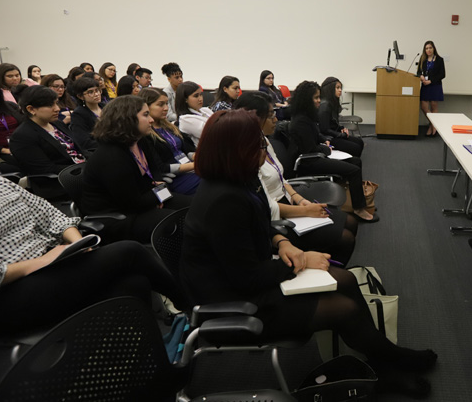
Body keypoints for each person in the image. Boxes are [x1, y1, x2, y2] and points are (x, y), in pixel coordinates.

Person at [180, 110, 437, 397]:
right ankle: (390, 364)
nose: (265, 151)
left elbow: (261, 225)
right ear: (238, 151)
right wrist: (300, 262)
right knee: (344, 308)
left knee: (347, 281)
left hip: (252, 276)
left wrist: (282, 242)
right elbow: (247, 279)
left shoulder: (238, 180)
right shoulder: (223, 201)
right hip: (237, 303)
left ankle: (386, 359)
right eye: (259, 146)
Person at [0, 123, 189, 334]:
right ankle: (192, 305)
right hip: (6, 292)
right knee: (129, 251)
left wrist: (76, 244)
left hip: (51, 262)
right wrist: (39, 263)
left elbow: (51, 215)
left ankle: (132, 357)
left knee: (134, 284)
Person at [236, 91, 357, 264]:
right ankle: (326, 273)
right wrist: (305, 211)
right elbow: (265, 206)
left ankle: (326, 269)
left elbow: (281, 178)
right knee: (345, 238)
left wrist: (299, 199)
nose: (276, 120)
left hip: (287, 202)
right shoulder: (247, 154)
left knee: (350, 222)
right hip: (274, 218)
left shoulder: (263, 140)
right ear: (254, 118)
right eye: (271, 116)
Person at [80, 96, 192, 243]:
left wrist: (158, 192)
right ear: (127, 119)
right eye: (145, 115)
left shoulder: (141, 141)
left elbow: (156, 173)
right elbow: (131, 202)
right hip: (119, 216)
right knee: (183, 224)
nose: (151, 120)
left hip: (145, 199)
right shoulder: (111, 155)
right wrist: (158, 194)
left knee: (196, 207)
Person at [289, 81, 377, 223]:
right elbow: (310, 149)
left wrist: (324, 140)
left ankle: (357, 199)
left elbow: (317, 135)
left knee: (356, 161)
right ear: (307, 100)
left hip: (317, 155)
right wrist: (326, 148)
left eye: (319, 97)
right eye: (316, 98)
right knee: (353, 170)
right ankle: (358, 208)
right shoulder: (300, 122)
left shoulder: (307, 117)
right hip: (309, 162)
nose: (319, 101)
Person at [9, 86, 89, 198]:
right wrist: (88, 169)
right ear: (31, 109)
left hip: (83, 172)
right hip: (61, 182)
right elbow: (45, 169)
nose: (57, 109)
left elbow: (78, 151)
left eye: (56, 103)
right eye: (50, 105)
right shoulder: (22, 136)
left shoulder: (57, 124)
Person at [139, 87, 199, 196]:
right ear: (146, 106)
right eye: (160, 104)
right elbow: (161, 167)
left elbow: (184, 151)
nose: (166, 108)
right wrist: (200, 164)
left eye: (167, 104)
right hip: (175, 178)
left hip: (189, 169)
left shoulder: (169, 126)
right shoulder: (146, 134)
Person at [319, 76, 364, 157]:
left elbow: (332, 123)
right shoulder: (324, 106)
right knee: (356, 148)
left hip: (333, 134)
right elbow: (324, 129)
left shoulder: (331, 103)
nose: (340, 90)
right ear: (330, 89)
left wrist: (341, 128)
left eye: (340, 88)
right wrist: (339, 134)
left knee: (360, 142)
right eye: (337, 88)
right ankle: (350, 164)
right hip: (327, 138)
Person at [416, 41, 445, 137]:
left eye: (430, 48)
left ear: (434, 48)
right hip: (425, 86)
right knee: (424, 107)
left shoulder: (439, 60)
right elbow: (419, 72)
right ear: (425, 50)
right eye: (426, 48)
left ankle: (431, 127)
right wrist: (421, 77)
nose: (428, 50)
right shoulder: (422, 59)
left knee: (433, 107)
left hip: (435, 85)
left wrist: (431, 81)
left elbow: (442, 74)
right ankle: (434, 125)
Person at [70, 77, 103, 152]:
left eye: (97, 90)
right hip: (98, 150)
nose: (97, 94)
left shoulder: (106, 107)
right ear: (80, 96)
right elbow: (84, 142)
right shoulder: (78, 114)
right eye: (90, 92)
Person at [176, 81, 213, 146]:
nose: (200, 99)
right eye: (196, 96)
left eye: (201, 94)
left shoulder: (206, 110)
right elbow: (212, 133)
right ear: (185, 99)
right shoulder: (185, 119)